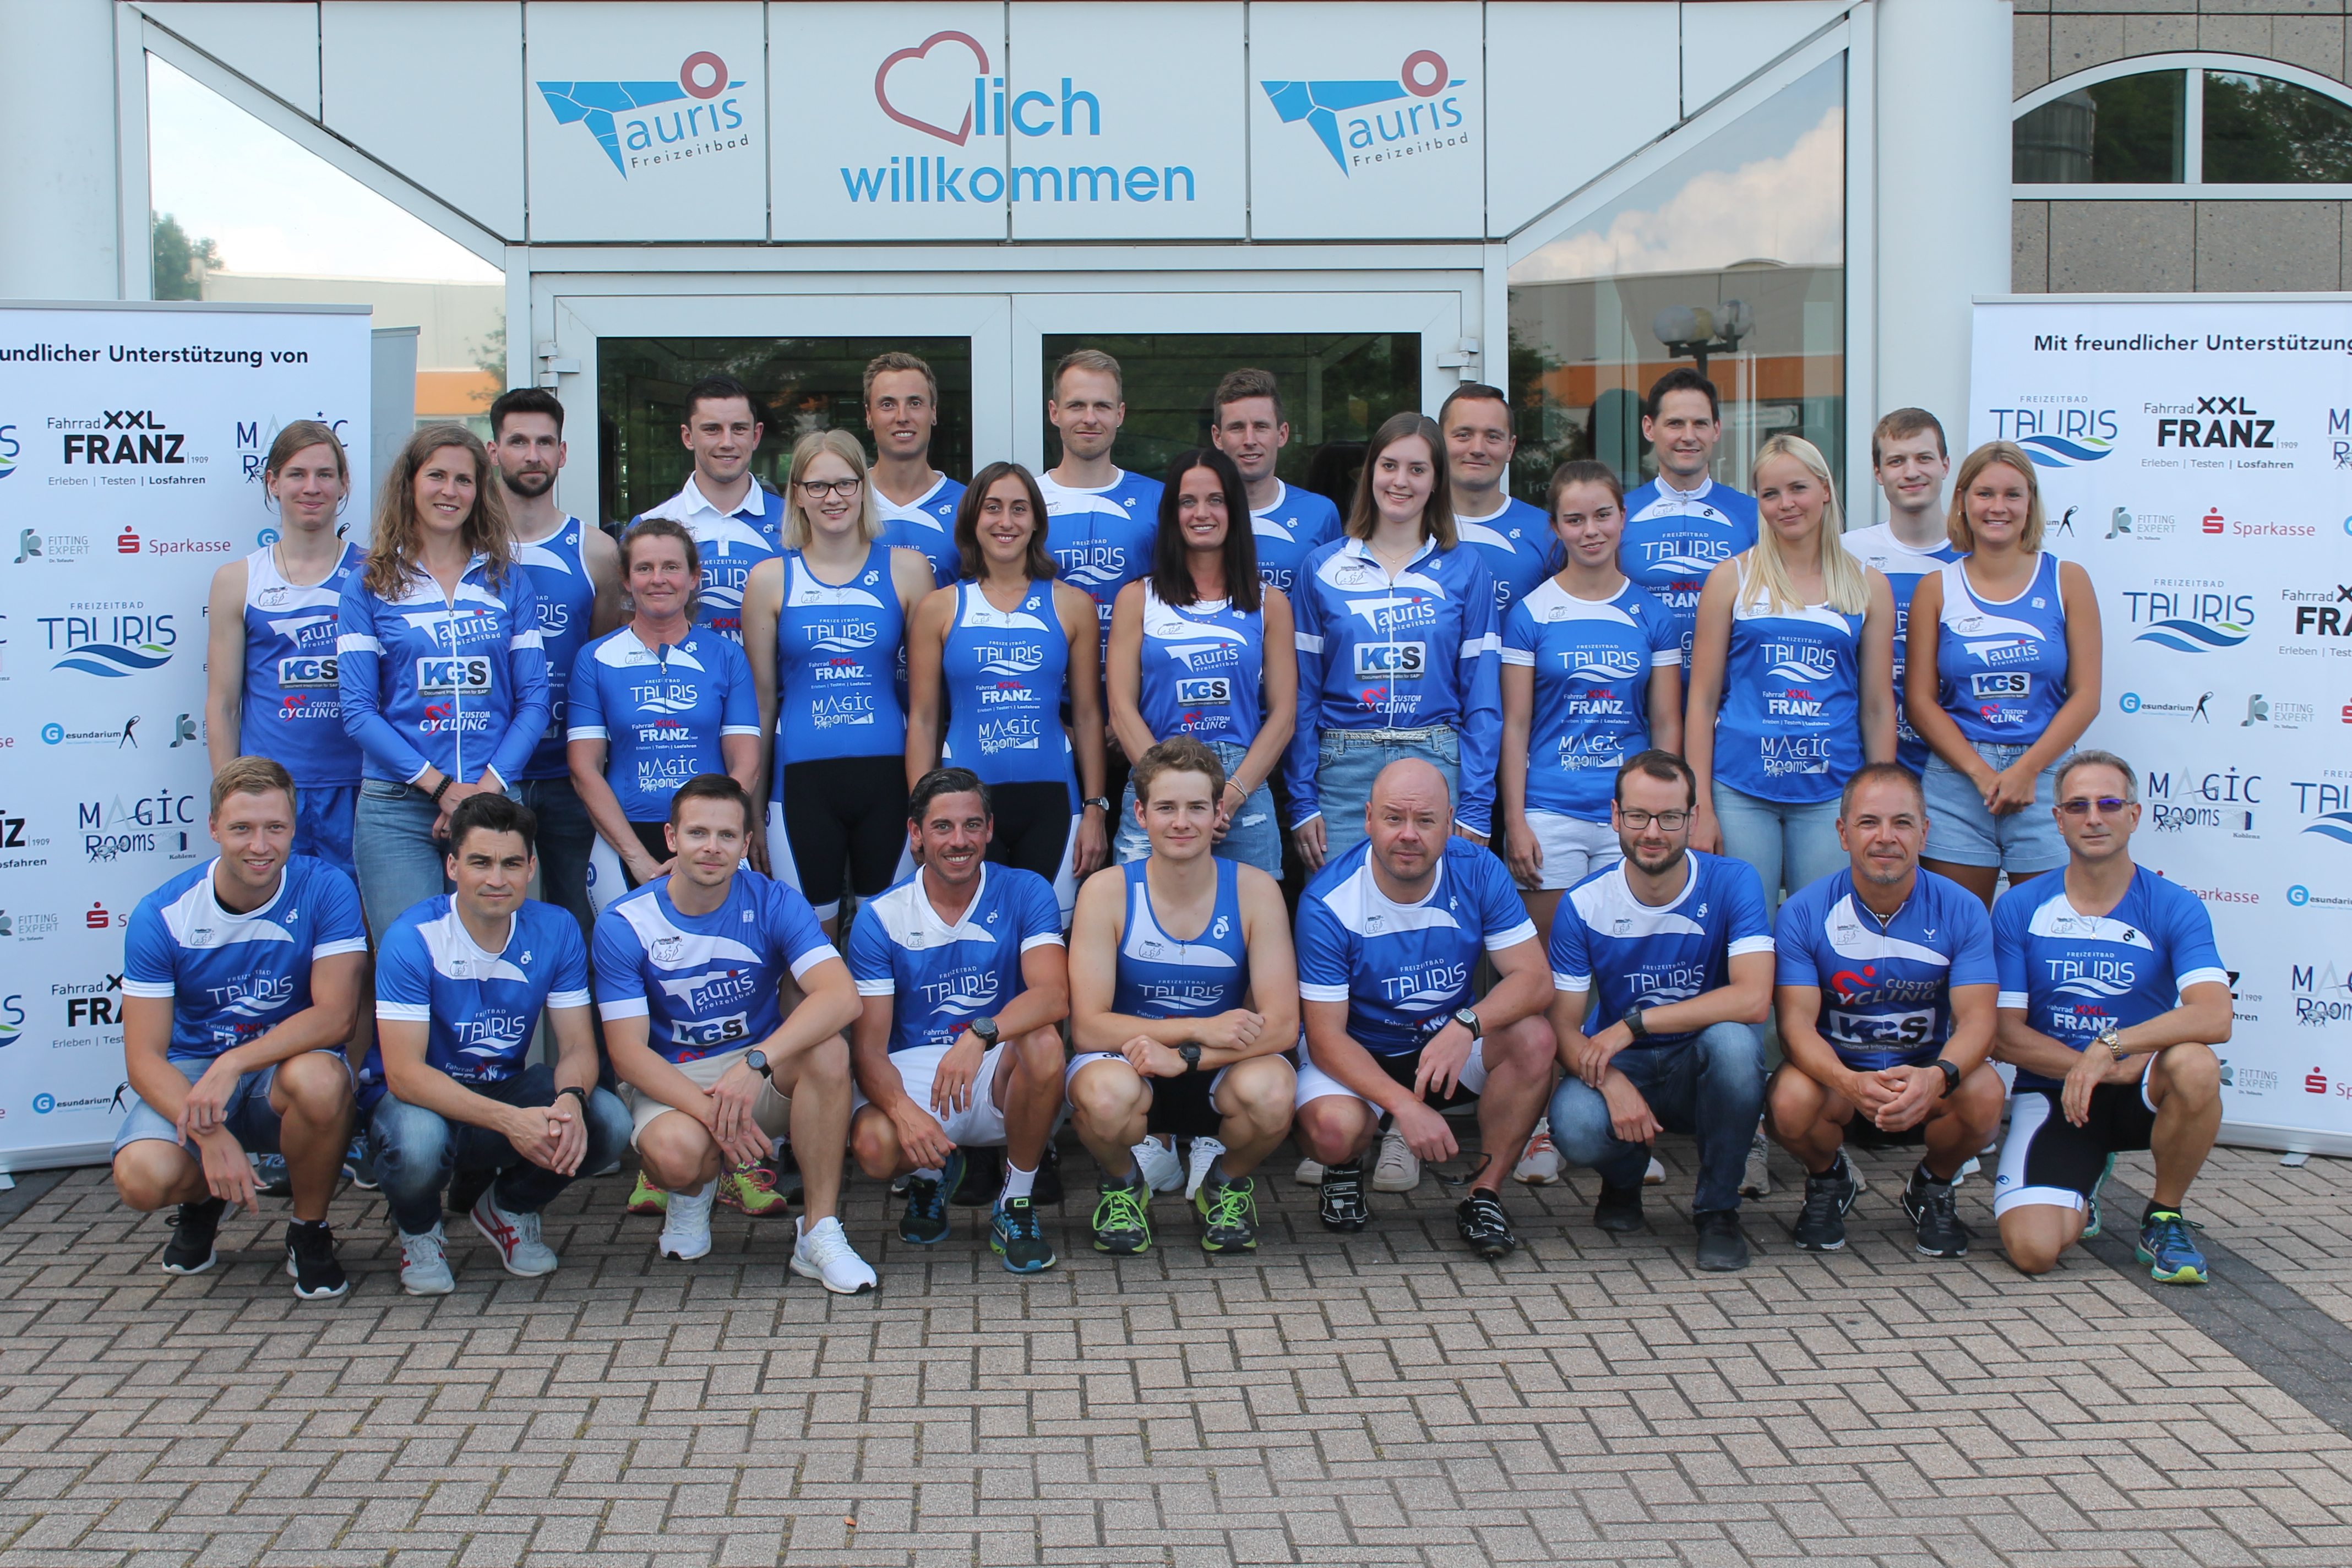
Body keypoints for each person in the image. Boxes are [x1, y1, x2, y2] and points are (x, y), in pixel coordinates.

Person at [593, 775, 876, 1292]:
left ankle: (818, 1232)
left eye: (727, 835)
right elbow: (627, 1053)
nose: (712, 847)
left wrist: (756, 1064)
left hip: (755, 1067)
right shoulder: (625, 922)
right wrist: (714, 1117)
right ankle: (691, 1194)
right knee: (678, 1157)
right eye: (698, 833)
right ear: (671, 838)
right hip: (673, 1077)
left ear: (746, 844)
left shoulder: (775, 901)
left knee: (829, 1053)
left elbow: (842, 998)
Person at [110, 758, 366, 1300]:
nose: (260, 845)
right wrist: (209, 1134)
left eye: (275, 828)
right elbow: (144, 1059)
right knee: (141, 1177)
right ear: (213, 828)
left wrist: (235, 1062)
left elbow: (336, 1016)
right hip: (196, 1073)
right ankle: (203, 1199)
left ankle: (309, 1229)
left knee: (323, 1082)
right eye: (242, 828)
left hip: (282, 1068)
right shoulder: (162, 914)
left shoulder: (327, 888)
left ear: (294, 827)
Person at [363, 793, 631, 1294]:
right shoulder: (412, 937)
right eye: (480, 862)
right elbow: (404, 1074)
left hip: (502, 1088)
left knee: (607, 1121)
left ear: (531, 867)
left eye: (511, 864)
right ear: (452, 867)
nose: (496, 879)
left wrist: (570, 1100)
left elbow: (577, 1045)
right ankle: (418, 1231)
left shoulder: (556, 928)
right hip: (418, 1102)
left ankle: (508, 1207)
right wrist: (511, 1122)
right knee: (418, 1144)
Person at [1290, 759, 1555, 1258]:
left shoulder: (1479, 869)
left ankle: (1484, 1196)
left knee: (1535, 1038)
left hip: (1446, 1045)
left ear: (1450, 822)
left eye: (1425, 820)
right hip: (1359, 1052)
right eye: (1394, 818)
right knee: (1333, 1133)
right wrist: (1406, 1107)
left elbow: (1535, 980)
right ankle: (1345, 1167)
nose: (1408, 835)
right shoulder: (1327, 901)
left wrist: (1467, 1025)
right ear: (1369, 818)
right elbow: (1325, 1039)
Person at [1991, 751, 2230, 1283]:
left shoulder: (2174, 905)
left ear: (2134, 815)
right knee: (2033, 1253)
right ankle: (2083, 1184)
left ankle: (2164, 1216)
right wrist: (2088, 1067)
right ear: (2058, 820)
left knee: (2196, 1066)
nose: (2093, 818)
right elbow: (2003, 1035)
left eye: (2109, 804)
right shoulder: (2019, 906)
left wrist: (2110, 1049)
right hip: (2056, 1093)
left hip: (2139, 1085)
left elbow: (2215, 1015)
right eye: (2078, 806)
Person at [1065, 739, 1300, 1255]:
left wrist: (1189, 1057)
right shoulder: (1106, 891)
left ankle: (1225, 1184)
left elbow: (1283, 1025)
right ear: (1141, 814)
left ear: (1219, 814)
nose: (1181, 823)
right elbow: (1087, 1028)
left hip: (1220, 1066)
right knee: (1102, 1098)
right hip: (1132, 1063)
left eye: (1196, 808)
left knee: (1273, 1094)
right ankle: (1124, 1185)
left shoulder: (1256, 890)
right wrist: (1195, 1030)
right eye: (1166, 808)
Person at [1543, 751, 1773, 1270]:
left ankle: (1718, 1211)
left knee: (1736, 1045)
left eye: (1670, 818)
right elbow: (1560, 1025)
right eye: (1638, 816)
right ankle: (1624, 1181)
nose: (1653, 832)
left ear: (1693, 819)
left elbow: (1754, 998)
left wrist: (1635, 1024)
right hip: (1626, 1066)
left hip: (1699, 1062)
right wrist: (1611, 1083)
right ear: (1615, 816)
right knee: (1575, 1121)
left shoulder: (1733, 880)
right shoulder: (1583, 902)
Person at [1768, 763, 2006, 1259]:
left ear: (1924, 832)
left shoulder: (1962, 908)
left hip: (1925, 1081)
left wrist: (1937, 1078)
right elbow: (1794, 1026)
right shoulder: (1804, 911)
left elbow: (1980, 1021)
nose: (1885, 838)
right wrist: (1848, 1082)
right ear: (1843, 833)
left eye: (1902, 823)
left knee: (1986, 1094)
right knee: (1788, 1101)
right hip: (1840, 1085)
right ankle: (1828, 1179)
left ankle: (1933, 1186)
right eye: (1868, 823)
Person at [846, 769, 1072, 1275]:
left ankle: (1015, 1201)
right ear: (916, 834)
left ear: (989, 829)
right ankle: (931, 1175)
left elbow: (1054, 996)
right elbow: (868, 1051)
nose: (959, 841)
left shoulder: (1026, 891)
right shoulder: (881, 916)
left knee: (1044, 1042)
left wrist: (979, 1034)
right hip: (913, 1072)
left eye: (972, 825)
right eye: (942, 827)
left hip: (995, 1064)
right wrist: (903, 1112)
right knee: (875, 1150)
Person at [339, 424, 550, 950]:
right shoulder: (368, 583)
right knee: (409, 961)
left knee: (495, 960)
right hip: (397, 808)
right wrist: (441, 790)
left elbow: (534, 703)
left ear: (480, 491)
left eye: (464, 480)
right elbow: (359, 711)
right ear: (410, 483)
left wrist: (483, 791)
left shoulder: (507, 580)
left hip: (494, 798)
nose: (449, 491)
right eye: (436, 476)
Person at [1684, 433, 1896, 907]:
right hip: (1740, 790)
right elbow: (1701, 701)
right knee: (1746, 932)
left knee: (1823, 929)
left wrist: (1880, 801)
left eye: (1798, 488)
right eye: (1770, 494)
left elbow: (1878, 707)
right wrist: (1700, 807)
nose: (1786, 504)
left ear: (1826, 489)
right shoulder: (1730, 579)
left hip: (1831, 790)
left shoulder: (1869, 586)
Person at [1286, 412, 1501, 874]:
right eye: (1389, 466)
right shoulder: (1321, 567)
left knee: (1434, 909)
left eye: (1417, 469)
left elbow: (1482, 696)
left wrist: (1477, 804)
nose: (1400, 481)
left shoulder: (1467, 567)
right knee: (1337, 909)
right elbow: (1302, 694)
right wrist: (1302, 800)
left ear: (1436, 481)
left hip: (1436, 760)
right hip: (1342, 769)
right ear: (1370, 473)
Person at [742, 429, 934, 932]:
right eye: (818, 486)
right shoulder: (768, 579)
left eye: (846, 483)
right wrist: (753, 810)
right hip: (800, 786)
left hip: (889, 781)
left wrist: (926, 801)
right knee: (807, 947)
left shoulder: (908, 570)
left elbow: (927, 706)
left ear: (863, 489)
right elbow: (762, 704)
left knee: (885, 942)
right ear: (798, 494)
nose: (833, 498)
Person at [905, 461, 1110, 921]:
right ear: (973, 519)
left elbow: (1087, 716)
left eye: (1019, 509)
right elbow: (923, 719)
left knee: (1051, 941)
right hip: (964, 807)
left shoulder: (1072, 604)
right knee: (976, 940)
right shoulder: (940, 608)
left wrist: (1096, 809)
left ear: (1036, 520)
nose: (1006, 521)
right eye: (993, 508)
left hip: (1054, 803)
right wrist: (921, 816)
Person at [1907, 440, 2103, 907]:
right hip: (1958, 783)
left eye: (2013, 494)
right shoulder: (1936, 588)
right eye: (1985, 494)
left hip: (2045, 777)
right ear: (1962, 501)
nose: (1998, 507)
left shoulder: (2068, 580)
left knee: (2046, 932)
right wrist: (1981, 773)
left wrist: (2026, 770)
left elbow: (2086, 696)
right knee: (1958, 933)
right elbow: (1919, 700)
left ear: (2030, 502)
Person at [1499, 460, 1683, 945]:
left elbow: (1666, 723)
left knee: (1626, 960)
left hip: (1631, 813)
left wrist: (1665, 812)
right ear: (1556, 527)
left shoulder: (1652, 613)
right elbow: (1514, 726)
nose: (1591, 531)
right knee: (1551, 963)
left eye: (1602, 515)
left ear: (1623, 516)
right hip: (1549, 812)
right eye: (1575, 520)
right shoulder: (1530, 613)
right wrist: (1516, 822)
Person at [1104, 447, 1295, 879]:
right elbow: (1120, 708)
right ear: (1172, 513)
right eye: (1187, 501)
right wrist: (1165, 786)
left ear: (1234, 510)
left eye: (1216, 500)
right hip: (1155, 775)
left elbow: (1284, 716)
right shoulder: (1137, 598)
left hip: (1241, 784)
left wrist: (1229, 797)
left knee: (1251, 917)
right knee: (1139, 913)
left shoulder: (1270, 603)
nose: (1201, 513)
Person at [488, 387, 623, 938]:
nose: (533, 455)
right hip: (490, 772)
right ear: (493, 451)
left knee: (581, 927)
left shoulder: (597, 551)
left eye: (545, 442)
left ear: (563, 454)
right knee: (489, 925)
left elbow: (601, 661)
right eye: (518, 442)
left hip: (571, 774)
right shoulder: (465, 550)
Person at [204, 421, 365, 878]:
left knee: (358, 919)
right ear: (273, 483)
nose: (311, 487)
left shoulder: (378, 574)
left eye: (325, 474)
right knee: (277, 915)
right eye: (297, 474)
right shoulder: (238, 580)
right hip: (271, 797)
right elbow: (223, 704)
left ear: (343, 484)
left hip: (362, 789)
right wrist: (232, 799)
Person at [567, 519, 762, 895]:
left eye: (671, 567)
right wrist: (638, 859)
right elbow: (583, 769)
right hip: (624, 840)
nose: (658, 579)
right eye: (644, 568)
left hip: (710, 840)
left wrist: (702, 842)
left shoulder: (726, 655)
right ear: (626, 580)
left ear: (693, 578)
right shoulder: (595, 658)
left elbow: (747, 765)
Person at [1843, 409, 1961, 781]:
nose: (1911, 472)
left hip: (1960, 760)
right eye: (1897, 461)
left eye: (1924, 458)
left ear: (1945, 465)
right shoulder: (1847, 553)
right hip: (1868, 757)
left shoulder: (1978, 554)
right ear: (1878, 473)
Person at [1618, 368, 1759, 668]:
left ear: (1717, 430)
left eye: (1700, 424)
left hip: (1727, 690)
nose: (1689, 436)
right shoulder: (1619, 514)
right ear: (1649, 428)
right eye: (1675, 424)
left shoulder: (1753, 514)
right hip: (1641, 689)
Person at [1035, 349, 1164, 671]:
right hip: (1050, 691)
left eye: (1102, 406)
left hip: (1139, 689)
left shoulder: (1157, 499)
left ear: (1120, 414)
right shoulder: (1026, 501)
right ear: (1054, 412)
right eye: (1077, 405)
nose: (1090, 418)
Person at [631, 372, 781, 643]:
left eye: (739, 429)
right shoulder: (648, 526)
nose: (727, 442)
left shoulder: (796, 521)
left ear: (756, 435)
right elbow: (630, 627)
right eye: (712, 429)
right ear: (688, 437)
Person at [1209, 367, 1341, 598]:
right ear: (1218, 437)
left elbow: (1334, 600)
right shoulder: (1196, 516)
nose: (1250, 440)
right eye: (1237, 428)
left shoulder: (1320, 513)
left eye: (1261, 426)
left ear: (1283, 434)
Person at [1441, 382, 1552, 618]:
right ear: (1439, 443)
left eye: (1492, 437)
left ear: (1510, 448)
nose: (1478, 449)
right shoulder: (1410, 528)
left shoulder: (1548, 533)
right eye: (1464, 435)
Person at [865, 351, 965, 588]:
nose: (902, 417)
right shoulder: (845, 501)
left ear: (934, 412)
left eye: (915, 403)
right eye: (888, 405)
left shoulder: (969, 505)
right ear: (869, 415)